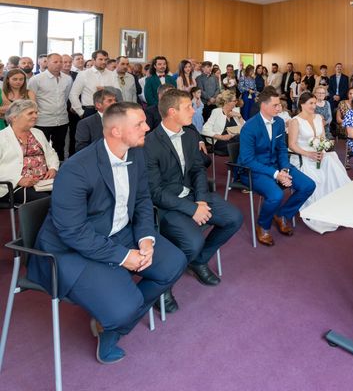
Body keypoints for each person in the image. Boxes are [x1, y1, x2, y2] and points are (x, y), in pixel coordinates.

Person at [27, 101, 187, 364]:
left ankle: (110, 326)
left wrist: (146, 238)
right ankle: (118, 315)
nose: (148, 127)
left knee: (174, 264)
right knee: (126, 306)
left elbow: (143, 199)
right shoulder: (76, 169)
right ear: (115, 132)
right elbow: (73, 232)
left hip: (117, 231)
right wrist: (124, 256)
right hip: (70, 250)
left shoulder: (135, 154)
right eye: (139, 124)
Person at [145, 89, 243, 310]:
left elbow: (199, 170)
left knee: (234, 218)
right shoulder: (149, 143)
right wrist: (191, 209)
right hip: (167, 205)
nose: (194, 109)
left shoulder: (190, 134)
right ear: (172, 111)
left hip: (193, 196)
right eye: (188, 106)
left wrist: (200, 201)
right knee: (193, 241)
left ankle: (199, 261)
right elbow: (155, 192)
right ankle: (164, 283)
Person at [238, 86, 316, 246]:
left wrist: (285, 169)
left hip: (277, 165)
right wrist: (276, 174)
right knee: (276, 195)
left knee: (308, 185)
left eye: (279, 104)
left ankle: (282, 215)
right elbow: (247, 160)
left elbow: (281, 149)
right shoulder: (249, 127)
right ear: (263, 106)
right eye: (275, 105)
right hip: (253, 170)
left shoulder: (279, 122)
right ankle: (263, 225)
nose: (279, 108)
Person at [287, 91, 350, 233]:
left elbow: (322, 138)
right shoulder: (295, 121)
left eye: (315, 103)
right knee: (318, 175)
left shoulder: (318, 118)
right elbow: (292, 145)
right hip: (302, 157)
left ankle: (338, 205)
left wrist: (322, 150)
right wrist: (309, 153)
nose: (314, 106)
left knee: (332, 162)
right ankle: (318, 209)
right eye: (311, 103)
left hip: (318, 154)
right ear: (302, 104)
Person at [0, 100, 59, 202]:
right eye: (30, 113)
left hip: (45, 182)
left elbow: (51, 153)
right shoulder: (2, 137)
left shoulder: (38, 133)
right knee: (49, 201)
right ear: (14, 117)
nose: (35, 116)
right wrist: (18, 179)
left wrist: (53, 168)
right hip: (15, 186)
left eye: (36, 112)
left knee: (72, 193)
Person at [27, 53, 72, 162]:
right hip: (42, 120)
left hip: (61, 119)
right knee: (41, 147)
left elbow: (65, 97)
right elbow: (32, 100)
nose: (59, 64)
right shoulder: (36, 79)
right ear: (47, 62)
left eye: (60, 61)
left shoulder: (67, 79)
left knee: (60, 147)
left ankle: (59, 170)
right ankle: (42, 170)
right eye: (55, 62)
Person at [69, 50, 117, 118]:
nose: (103, 62)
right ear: (93, 60)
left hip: (109, 111)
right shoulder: (83, 74)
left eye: (105, 59)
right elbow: (73, 94)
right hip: (90, 110)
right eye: (100, 59)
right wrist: (81, 112)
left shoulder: (112, 74)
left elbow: (117, 91)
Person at [202, 90, 244, 155]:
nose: (236, 102)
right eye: (234, 101)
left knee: (244, 138)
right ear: (227, 102)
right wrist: (221, 137)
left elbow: (246, 128)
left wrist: (239, 116)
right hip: (220, 142)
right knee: (243, 142)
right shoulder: (216, 112)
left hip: (235, 140)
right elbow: (205, 129)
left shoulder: (236, 111)